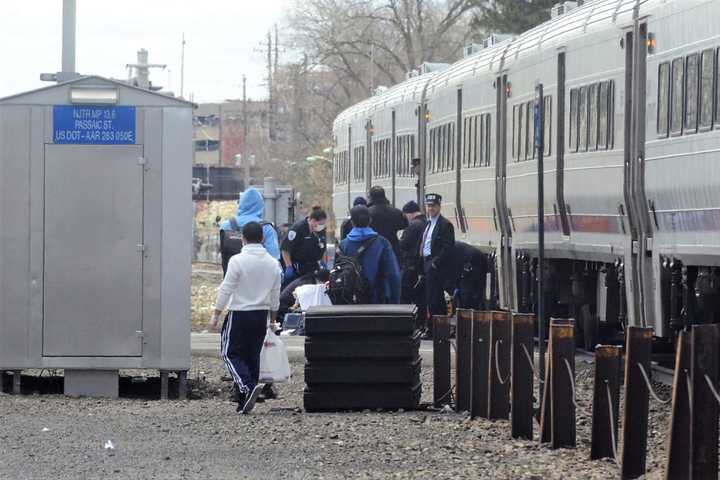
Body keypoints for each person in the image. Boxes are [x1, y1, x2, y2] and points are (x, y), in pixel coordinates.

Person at [210, 221, 282, 414]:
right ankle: (244, 404)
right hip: (261, 316)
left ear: (243, 239)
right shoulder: (273, 263)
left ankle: (247, 387)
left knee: (230, 353)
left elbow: (227, 288)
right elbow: (276, 295)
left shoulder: (237, 261)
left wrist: (216, 313)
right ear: (263, 238)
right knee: (252, 357)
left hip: (239, 314)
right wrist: (273, 320)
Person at [339, 205, 401, 304]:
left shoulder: (343, 245)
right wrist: (395, 302)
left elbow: (337, 273)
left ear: (352, 223)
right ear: (370, 220)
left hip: (351, 302)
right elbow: (394, 275)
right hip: (378, 301)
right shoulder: (382, 243)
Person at [219, 187, 280, 275]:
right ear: (260, 205)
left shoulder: (225, 226)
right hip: (258, 282)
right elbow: (274, 259)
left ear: (241, 203)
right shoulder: (266, 228)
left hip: (232, 279)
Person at [420, 193, 455, 337]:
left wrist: (435, 263)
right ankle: (435, 327)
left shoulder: (445, 225)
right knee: (430, 297)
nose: (431, 209)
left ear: (439, 207)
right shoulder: (428, 223)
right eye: (429, 206)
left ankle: (435, 329)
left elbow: (448, 247)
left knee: (435, 299)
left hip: (436, 265)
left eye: (433, 206)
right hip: (427, 261)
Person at [281, 206, 328, 286]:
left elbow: (323, 246)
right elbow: (285, 249)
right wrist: (289, 266)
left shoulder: (320, 230)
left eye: (323, 224)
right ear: (313, 221)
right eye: (321, 224)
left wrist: (323, 261)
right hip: (298, 268)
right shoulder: (298, 229)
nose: (322, 226)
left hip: (313, 267)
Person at [399, 200, 427, 325]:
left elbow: (403, 245)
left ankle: (406, 322)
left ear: (410, 214)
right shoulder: (427, 223)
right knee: (421, 297)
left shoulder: (413, 225)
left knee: (405, 294)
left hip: (411, 266)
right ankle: (422, 322)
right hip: (423, 266)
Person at [367, 186, 408, 258]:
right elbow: (405, 225)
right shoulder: (396, 212)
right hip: (392, 248)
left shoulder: (367, 213)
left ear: (371, 197)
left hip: (373, 249)